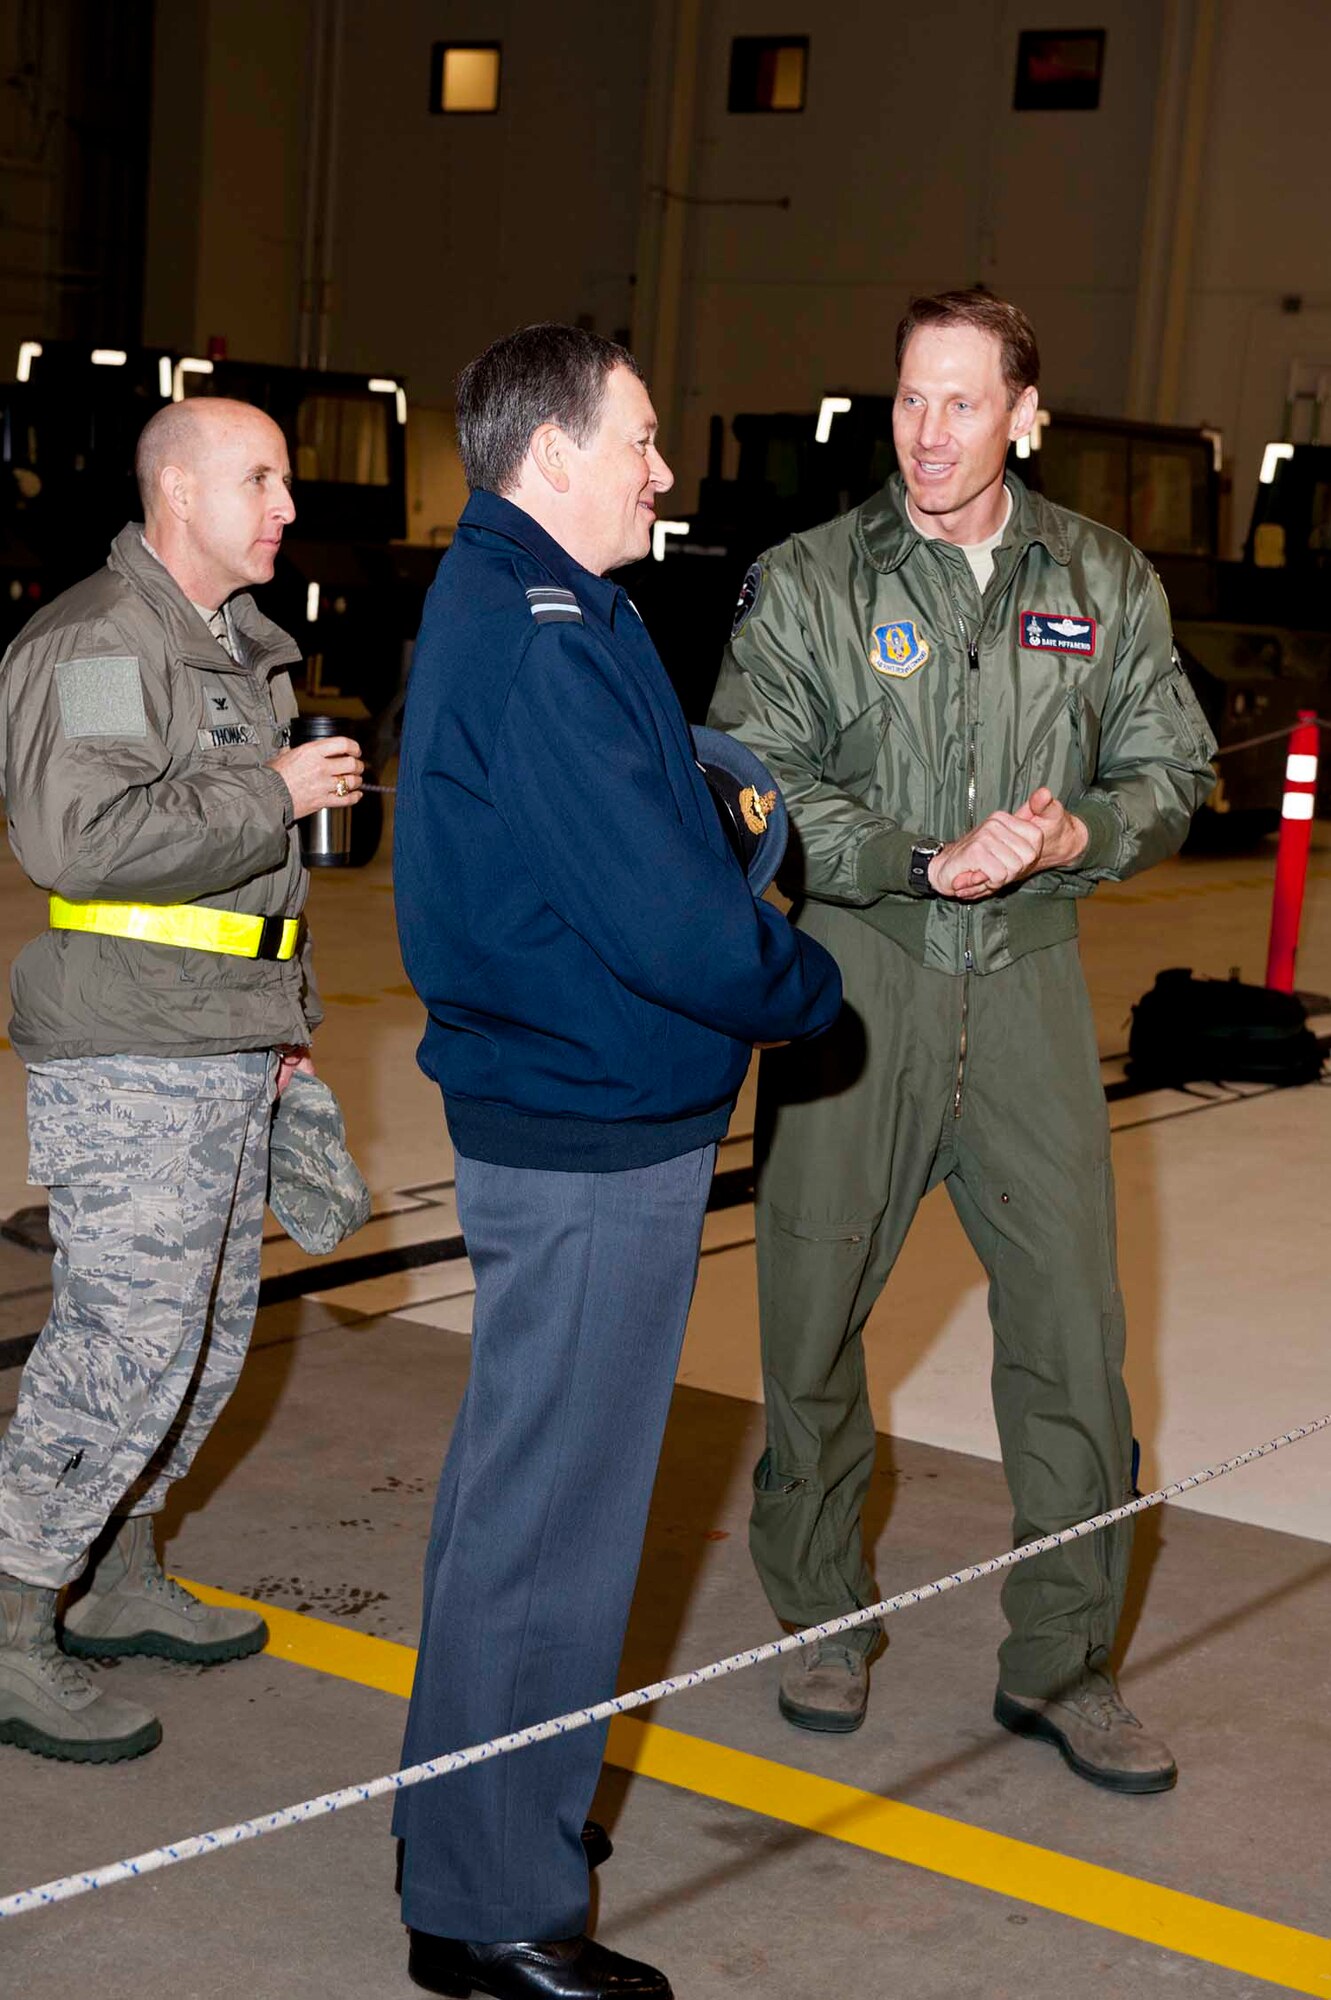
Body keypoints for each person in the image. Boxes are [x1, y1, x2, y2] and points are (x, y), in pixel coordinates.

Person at [709, 291, 1217, 1792]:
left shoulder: (1103, 577)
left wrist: (1087, 826)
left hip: (1035, 987)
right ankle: (819, 1614)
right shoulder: (809, 579)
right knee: (808, 1318)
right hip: (857, 987)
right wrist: (916, 860)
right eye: (908, 402)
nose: (927, 436)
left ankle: (1066, 1662)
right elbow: (762, 780)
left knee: (1073, 1339)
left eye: (960, 405)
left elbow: (1171, 763)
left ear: (1024, 416)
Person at [392, 323, 841, 2000]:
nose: (665, 470)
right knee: (555, 1529)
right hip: (588, 1135)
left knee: (515, 1508)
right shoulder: (546, 630)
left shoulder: (531, 604)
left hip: (566, 1114)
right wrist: (807, 988)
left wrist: (717, 795)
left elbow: (638, 815)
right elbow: (669, 921)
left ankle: (475, 1822)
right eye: (642, 439)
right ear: (554, 454)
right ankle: (491, 1908)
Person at [0, 396, 364, 1763]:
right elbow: (77, 838)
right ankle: (13, 1621)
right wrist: (271, 791)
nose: (284, 504)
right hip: (133, 1051)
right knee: (123, 1345)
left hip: (224, 1033)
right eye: (259, 478)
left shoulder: (228, 648)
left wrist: (291, 1027)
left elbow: (247, 893)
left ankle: (120, 1569)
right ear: (176, 495)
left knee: (203, 1340)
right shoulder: (100, 644)